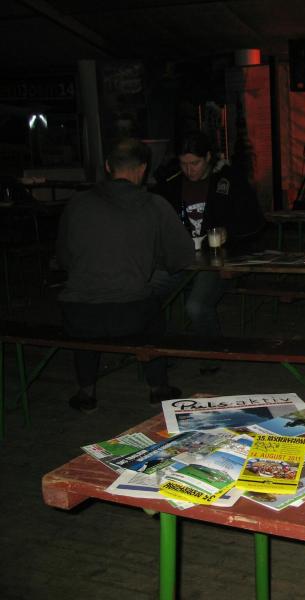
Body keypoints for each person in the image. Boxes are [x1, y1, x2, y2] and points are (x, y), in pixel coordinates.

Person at [56, 138, 194, 412]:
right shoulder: (154, 205)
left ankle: (86, 391)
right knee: (151, 307)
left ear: (108, 166)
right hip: (130, 314)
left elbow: (63, 259)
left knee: (86, 297)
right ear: (142, 169)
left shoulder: (77, 203)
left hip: (77, 314)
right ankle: (157, 387)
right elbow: (181, 258)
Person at [153, 131, 265, 339]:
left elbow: (254, 222)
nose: (189, 170)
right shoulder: (171, 183)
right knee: (144, 293)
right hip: (181, 258)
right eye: (184, 164)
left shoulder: (230, 181)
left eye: (195, 163)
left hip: (217, 260)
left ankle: (213, 350)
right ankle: (159, 346)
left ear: (207, 157)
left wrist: (228, 232)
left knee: (196, 307)